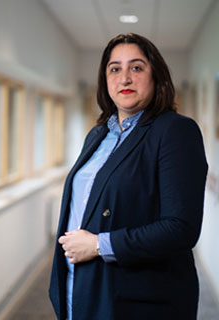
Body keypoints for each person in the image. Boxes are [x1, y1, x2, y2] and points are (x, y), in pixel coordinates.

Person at [49, 33, 208, 320]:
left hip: (134, 300)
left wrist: (98, 245)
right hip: (82, 288)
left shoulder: (175, 132)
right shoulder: (98, 135)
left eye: (136, 67)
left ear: (156, 75)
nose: (124, 78)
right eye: (115, 69)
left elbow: (181, 228)